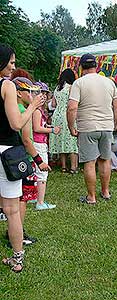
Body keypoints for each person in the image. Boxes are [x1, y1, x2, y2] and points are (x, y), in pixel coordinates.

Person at [0, 44, 44, 272]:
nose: (13, 67)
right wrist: (33, 106)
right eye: (12, 62)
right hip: (7, 155)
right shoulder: (6, 86)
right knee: (12, 210)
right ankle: (17, 259)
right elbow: (16, 123)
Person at [67, 53, 117, 204]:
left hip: (87, 127)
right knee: (105, 160)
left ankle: (91, 197)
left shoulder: (78, 83)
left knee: (89, 162)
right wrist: (116, 123)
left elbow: (72, 108)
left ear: (81, 67)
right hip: (107, 126)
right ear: (96, 66)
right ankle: (105, 192)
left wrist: (71, 127)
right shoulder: (109, 82)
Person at [32, 82, 61, 210]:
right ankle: (40, 202)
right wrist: (52, 130)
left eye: (45, 93)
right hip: (38, 143)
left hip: (39, 143)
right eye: (40, 93)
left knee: (36, 171)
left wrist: (49, 127)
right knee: (42, 173)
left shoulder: (37, 110)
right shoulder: (37, 111)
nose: (43, 96)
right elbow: (37, 128)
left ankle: (34, 197)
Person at [49, 68, 79, 173]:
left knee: (61, 140)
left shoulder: (57, 88)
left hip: (57, 115)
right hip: (67, 114)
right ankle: (73, 167)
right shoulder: (71, 88)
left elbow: (53, 104)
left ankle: (63, 167)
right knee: (71, 141)